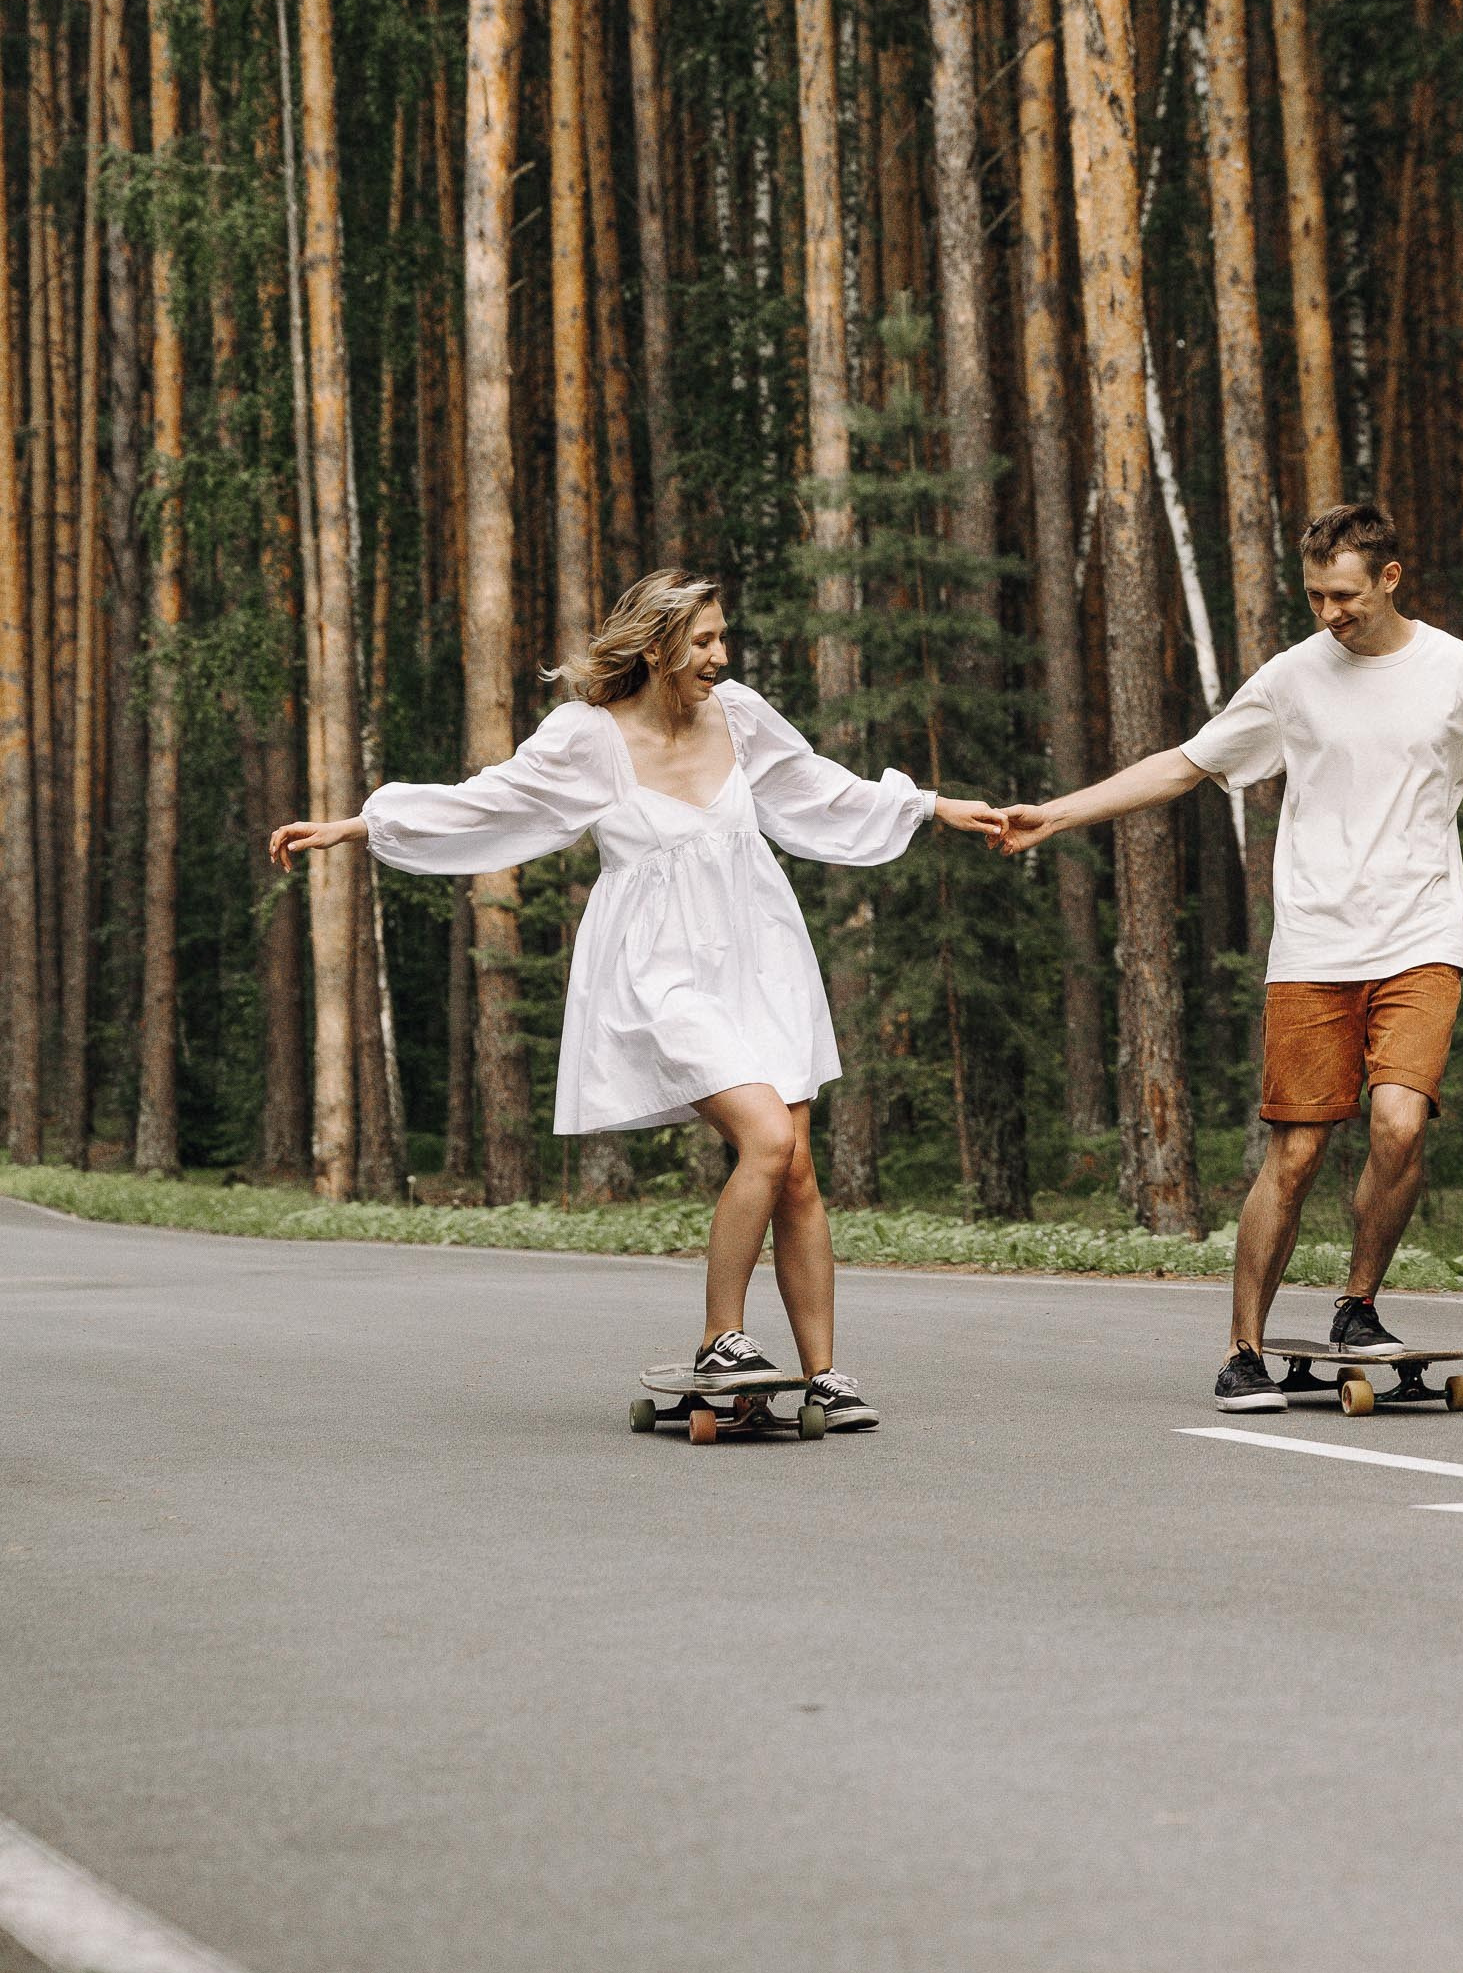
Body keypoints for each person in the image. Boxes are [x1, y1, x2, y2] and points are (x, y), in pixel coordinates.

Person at [997, 500, 1463, 1410]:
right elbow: (1185, 763)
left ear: (1389, 578)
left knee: (1399, 1124)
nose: (1328, 613)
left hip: (1421, 937)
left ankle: (1357, 1305)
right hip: (1313, 944)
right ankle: (1242, 1351)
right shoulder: (1292, 679)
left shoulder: (1459, 674)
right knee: (1296, 1154)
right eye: (1314, 597)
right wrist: (1055, 815)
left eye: (1343, 596)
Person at [271, 569, 1004, 1429]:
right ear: (656, 647)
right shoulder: (589, 736)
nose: (720, 656)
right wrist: (363, 826)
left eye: (723, 638)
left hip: (762, 957)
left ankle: (825, 1376)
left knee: (798, 1170)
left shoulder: (740, 716)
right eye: (703, 641)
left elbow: (818, 788)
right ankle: (720, 1339)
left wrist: (932, 806)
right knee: (767, 1140)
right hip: (660, 970)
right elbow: (491, 801)